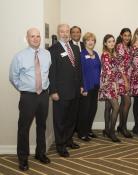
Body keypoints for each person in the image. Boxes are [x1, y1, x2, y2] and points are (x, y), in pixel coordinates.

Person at [9, 28, 51, 171]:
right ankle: (23, 158)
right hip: (28, 97)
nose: (36, 39)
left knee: (42, 125)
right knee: (24, 128)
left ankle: (40, 153)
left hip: (44, 95)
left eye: (38, 36)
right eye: (32, 36)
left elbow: (47, 73)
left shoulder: (47, 54)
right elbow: (13, 77)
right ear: (27, 38)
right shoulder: (19, 56)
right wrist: (24, 88)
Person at [49, 24, 82, 157]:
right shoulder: (53, 49)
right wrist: (53, 91)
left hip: (75, 91)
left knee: (71, 119)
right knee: (60, 120)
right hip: (60, 92)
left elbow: (78, 69)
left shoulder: (75, 48)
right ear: (58, 33)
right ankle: (60, 145)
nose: (65, 33)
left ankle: (68, 140)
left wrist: (81, 85)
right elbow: (52, 72)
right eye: (62, 31)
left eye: (67, 31)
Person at [77, 32, 101, 141]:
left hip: (95, 86)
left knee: (92, 109)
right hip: (86, 87)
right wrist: (83, 87)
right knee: (84, 111)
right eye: (88, 40)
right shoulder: (82, 54)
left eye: (92, 40)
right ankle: (82, 132)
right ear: (85, 42)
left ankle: (88, 130)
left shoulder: (95, 53)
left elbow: (99, 69)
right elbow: (80, 72)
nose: (91, 42)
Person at [99, 34, 121, 142]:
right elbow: (108, 72)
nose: (112, 43)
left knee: (108, 107)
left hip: (112, 83)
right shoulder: (105, 54)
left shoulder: (112, 53)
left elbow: (116, 70)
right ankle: (112, 131)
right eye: (109, 41)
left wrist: (116, 83)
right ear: (105, 43)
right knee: (116, 107)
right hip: (108, 84)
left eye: (113, 41)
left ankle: (107, 129)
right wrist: (114, 86)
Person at [115, 28, 133, 138]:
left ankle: (121, 126)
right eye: (125, 35)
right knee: (127, 102)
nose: (127, 37)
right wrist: (126, 81)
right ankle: (124, 127)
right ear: (121, 36)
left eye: (128, 35)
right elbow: (120, 65)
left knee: (123, 103)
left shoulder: (128, 47)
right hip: (122, 78)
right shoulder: (119, 46)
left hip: (128, 77)